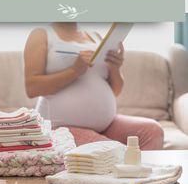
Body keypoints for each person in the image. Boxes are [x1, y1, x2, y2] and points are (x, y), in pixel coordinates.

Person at [24, 23, 164, 149]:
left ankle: (141, 176)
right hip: (61, 127)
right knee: (111, 150)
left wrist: (115, 68)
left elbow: (115, 91)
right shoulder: (41, 34)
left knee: (153, 132)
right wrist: (74, 71)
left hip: (107, 124)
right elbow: (32, 88)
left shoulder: (96, 37)